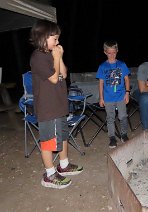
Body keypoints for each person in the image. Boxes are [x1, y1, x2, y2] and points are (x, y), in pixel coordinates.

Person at [29, 19, 83, 189]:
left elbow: (64, 74)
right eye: (55, 39)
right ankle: (49, 174)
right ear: (43, 38)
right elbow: (53, 78)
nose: (58, 42)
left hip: (59, 105)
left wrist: (59, 57)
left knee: (62, 136)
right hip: (47, 107)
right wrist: (57, 57)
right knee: (49, 141)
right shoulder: (37, 57)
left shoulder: (52, 54)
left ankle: (64, 165)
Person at [96, 40, 130, 148]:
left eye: (114, 52)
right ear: (105, 52)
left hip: (120, 96)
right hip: (108, 98)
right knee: (110, 118)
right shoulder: (102, 67)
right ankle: (112, 138)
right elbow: (100, 83)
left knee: (123, 116)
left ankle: (123, 134)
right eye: (109, 53)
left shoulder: (122, 64)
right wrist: (101, 98)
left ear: (117, 51)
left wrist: (127, 93)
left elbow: (127, 80)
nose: (111, 55)